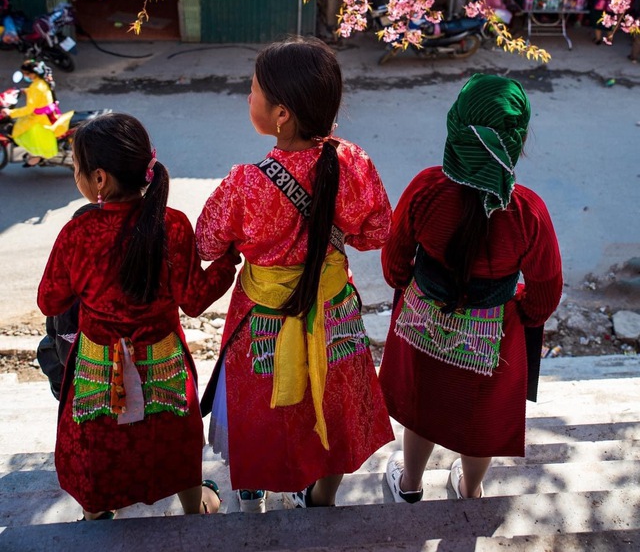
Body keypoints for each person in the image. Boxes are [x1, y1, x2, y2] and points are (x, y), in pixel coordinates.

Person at [196, 37, 393, 512]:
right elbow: (375, 233)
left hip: (264, 318)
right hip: (332, 314)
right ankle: (322, 497)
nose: (248, 97)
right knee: (330, 401)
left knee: (262, 408)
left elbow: (205, 242)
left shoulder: (245, 183)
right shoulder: (353, 161)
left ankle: (252, 497)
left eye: (254, 89)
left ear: (281, 114)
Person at [37, 112, 239, 520]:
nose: (74, 174)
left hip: (99, 373)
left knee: (101, 450)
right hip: (164, 366)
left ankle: (96, 515)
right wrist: (226, 263)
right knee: (172, 447)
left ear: (99, 180)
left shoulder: (78, 234)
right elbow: (195, 300)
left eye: (76, 167)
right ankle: (194, 505)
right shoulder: (173, 225)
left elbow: (50, 301)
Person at [378, 73, 562, 503]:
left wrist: (418, 288)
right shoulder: (526, 213)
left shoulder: (426, 189)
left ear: (454, 129)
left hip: (423, 325)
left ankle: (409, 485)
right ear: (515, 142)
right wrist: (517, 312)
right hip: (494, 336)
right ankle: (471, 489)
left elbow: (394, 264)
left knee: (423, 409)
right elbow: (545, 291)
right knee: (479, 420)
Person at [5, 59, 60, 166]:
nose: (25, 76)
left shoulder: (35, 87)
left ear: (32, 74)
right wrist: (26, 90)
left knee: (18, 132)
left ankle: (37, 155)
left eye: (25, 74)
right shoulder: (42, 81)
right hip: (48, 114)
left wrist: (10, 112)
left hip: (39, 119)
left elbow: (28, 110)